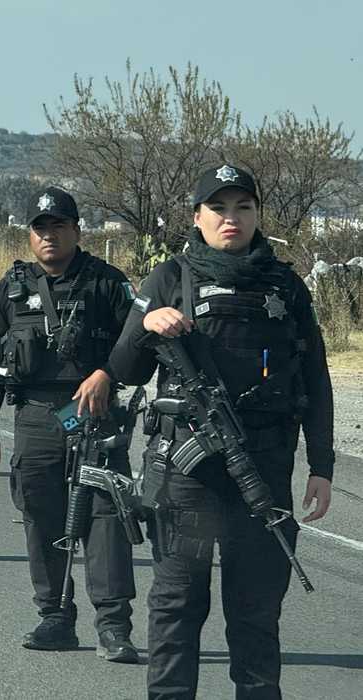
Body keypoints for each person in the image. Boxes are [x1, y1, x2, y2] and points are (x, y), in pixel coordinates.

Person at [108, 164, 334, 699]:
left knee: (256, 611)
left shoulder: (285, 285)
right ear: (197, 216)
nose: (231, 218)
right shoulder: (170, 278)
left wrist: (322, 466)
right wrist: (147, 325)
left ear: (257, 214)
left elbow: (315, 378)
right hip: (186, 476)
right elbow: (123, 369)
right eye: (219, 208)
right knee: (177, 605)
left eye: (243, 207)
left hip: (264, 469)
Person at [0, 186, 139, 662]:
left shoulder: (107, 283)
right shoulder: (11, 289)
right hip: (35, 419)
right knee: (43, 518)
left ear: (76, 231)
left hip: (94, 419)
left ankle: (113, 626)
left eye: (59, 226)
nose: (49, 235)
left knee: (106, 522)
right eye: (40, 228)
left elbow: (138, 346)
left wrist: (107, 373)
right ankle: (55, 616)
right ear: (31, 235)